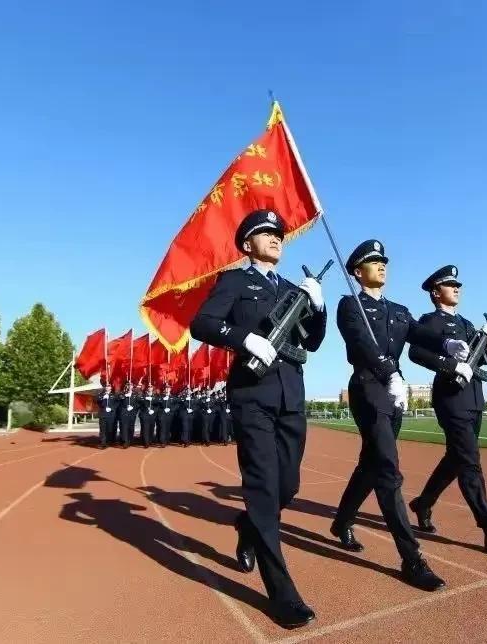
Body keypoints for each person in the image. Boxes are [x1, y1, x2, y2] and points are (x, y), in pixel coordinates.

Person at [190, 208, 327, 628]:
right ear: (247, 244)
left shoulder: (291, 289)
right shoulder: (234, 281)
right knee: (264, 488)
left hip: (291, 395)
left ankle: (248, 525)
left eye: (279, 235)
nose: (276, 239)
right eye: (266, 234)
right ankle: (282, 593)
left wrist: (317, 306)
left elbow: (315, 342)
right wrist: (243, 337)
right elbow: (202, 323)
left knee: (288, 485)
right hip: (252, 394)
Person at [330, 239, 469, 592]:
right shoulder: (350, 305)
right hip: (368, 388)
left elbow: (421, 334)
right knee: (389, 471)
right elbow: (360, 342)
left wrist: (447, 345)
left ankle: (342, 520)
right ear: (358, 272)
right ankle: (412, 559)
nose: (382, 266)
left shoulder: (399, 310)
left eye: (384, 262)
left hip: (394, 395)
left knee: (371, 464)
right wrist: (389, 373)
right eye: (374, 262)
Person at [407, 265, 487, 556]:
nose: (456, 287)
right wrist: (448, 364)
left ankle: (424, 502)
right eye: (450, 284)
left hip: (473, 398)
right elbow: (416, 352)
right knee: (470, 462)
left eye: (457, 284)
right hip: (451, 397)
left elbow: (482, 359)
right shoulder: (430, 322)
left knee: (456, 458)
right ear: (436, 292)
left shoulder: (466, 322)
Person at [118, 381, 139, 448]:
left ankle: (130, 440)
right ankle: (125, 441)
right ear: (126, 386)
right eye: (128, 385)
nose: (129, 386)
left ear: (133, 386)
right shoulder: (122, 393)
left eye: (131, 385)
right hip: (124, 413)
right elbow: (119, 399)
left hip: (132, 413)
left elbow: (138, 404)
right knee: (124, 427)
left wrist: (133, 407)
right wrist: (125, 396)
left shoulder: (135, 394)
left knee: (131, 427)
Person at [96, 383, 118, 449]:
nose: (107, 387)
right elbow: (97, 400)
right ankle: (103, 443)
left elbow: (117, 404)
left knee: (109, 429)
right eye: (106, 386)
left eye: (109, 386)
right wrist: (103, 397)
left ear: (111, 387)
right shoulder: (100, 394)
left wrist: (112, 408)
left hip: (111, 415)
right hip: (103, 414)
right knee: (103, 429)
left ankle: (109, 441)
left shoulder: (114, 395)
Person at [157, 383, 177, 447]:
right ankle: (162, 441)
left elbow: (177, 405)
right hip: (162, 415)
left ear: (170, 389)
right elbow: (157, 404)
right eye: (166, 388)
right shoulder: (161, 397)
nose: (167, 389)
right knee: (163, 428)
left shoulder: (172, 397)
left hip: (170, 415)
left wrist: (171, 409)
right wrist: (163, 400)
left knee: (168, 428)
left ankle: (167, 440)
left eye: (168, 388)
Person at [138, 383, 157, 448]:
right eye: (149, 387)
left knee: (151, 428)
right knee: (145, 428)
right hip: (145, 414)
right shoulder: (143, 396)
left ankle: (150, 441)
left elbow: (158, 405)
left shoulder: (155, 396)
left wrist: (154, 410)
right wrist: (146, 398)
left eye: (151, 387)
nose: (150, 388)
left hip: (152, 415)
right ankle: (146, 442)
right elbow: (140, 402)